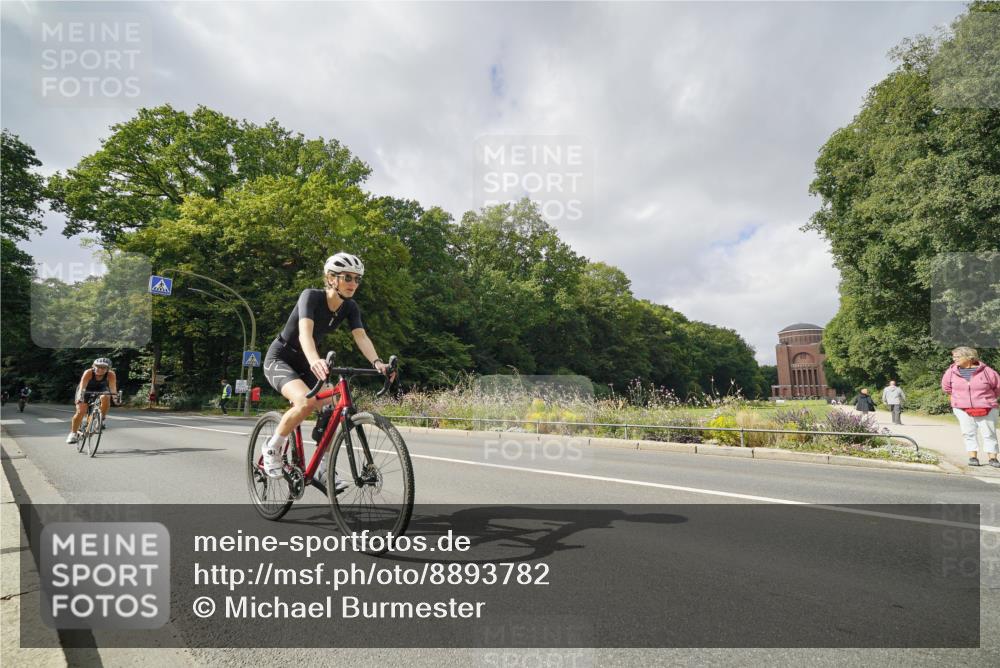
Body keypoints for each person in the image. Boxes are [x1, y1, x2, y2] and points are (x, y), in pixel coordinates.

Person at [261, 252, 395, 488]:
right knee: (304, 402)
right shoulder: (310, 297)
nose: (353, 283)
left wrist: (377, 362)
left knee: (334, 403)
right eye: (347, 277)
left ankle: (321, 466)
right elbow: (305, 333)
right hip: (281, 357)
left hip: (308, 361)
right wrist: (315, 360)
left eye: (357, 279)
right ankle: (272, 448)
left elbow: (361, 336)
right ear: (331, 278)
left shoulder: (350, 307)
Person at [941, 346, 1000, 468]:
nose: (954, 359)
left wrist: (986, 400)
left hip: (986, 407)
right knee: (968, 433)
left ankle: (993, 458)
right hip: (962, 408)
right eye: (954, 356)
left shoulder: (987, 371)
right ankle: (973, 457)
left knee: (989, 433)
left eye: (958, 356)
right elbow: (946, 388)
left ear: (969, 358)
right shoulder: (951, 371)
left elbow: (997, 387)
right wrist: (959, 399)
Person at [67, 358, 118, 444]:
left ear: (108, 369)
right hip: (85, 389)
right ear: (93, 366)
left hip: (101, 389)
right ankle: (73, 433)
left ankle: (101, 419)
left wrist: (116, 399)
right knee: (81, 411)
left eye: (103, 367)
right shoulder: (88, 372)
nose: (100, 369)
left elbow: (113, 388)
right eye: (98, 366)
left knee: (106, 396)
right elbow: (82, 386)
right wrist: (80, 397)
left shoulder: (111, 374)